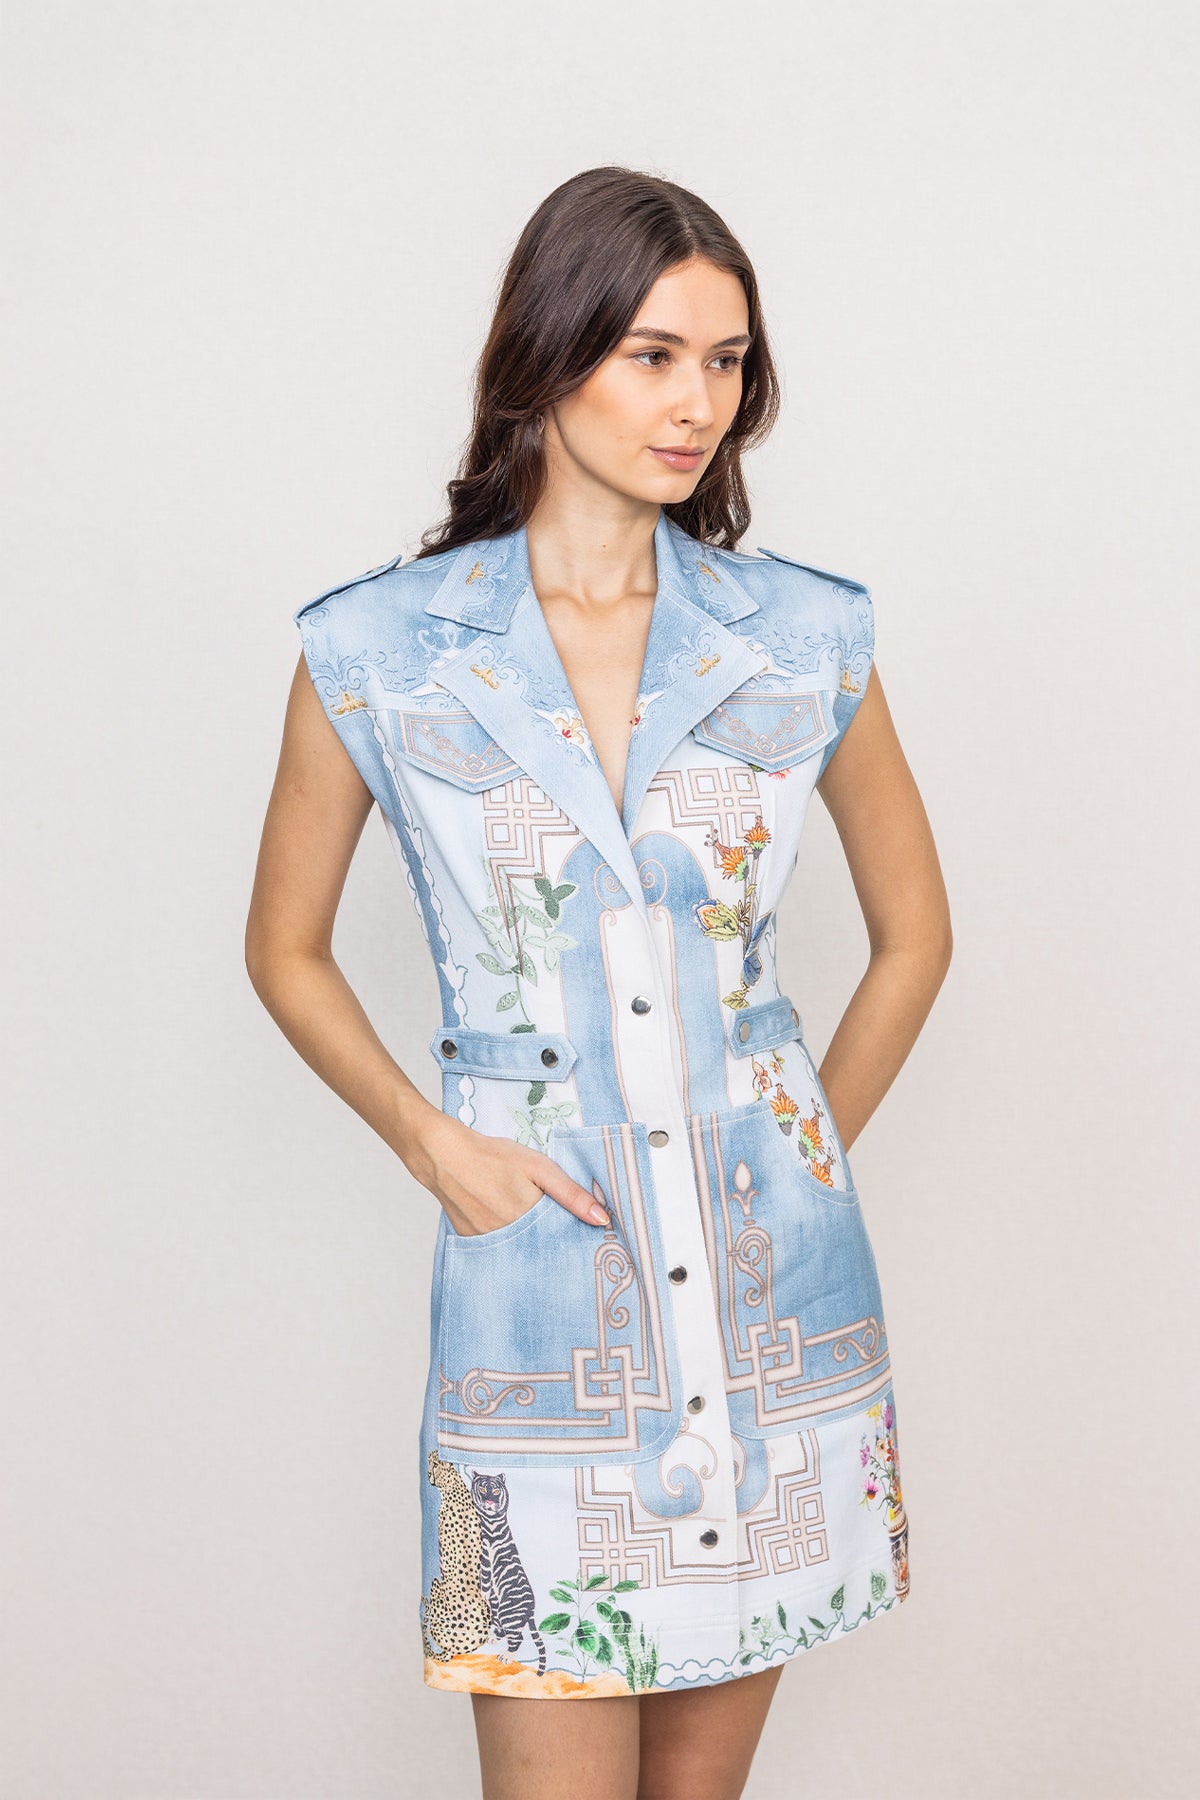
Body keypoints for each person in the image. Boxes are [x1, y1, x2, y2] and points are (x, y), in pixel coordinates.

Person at [246, 165, 952, 1800]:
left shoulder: (804, 638)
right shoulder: (379, 653)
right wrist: (435, 1144)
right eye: (653, 356)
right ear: (547, 355)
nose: (699, 403)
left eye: (727, 362)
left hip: (777, 1319)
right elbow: (282, 948)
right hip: (541, 1318)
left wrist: (796, 1150)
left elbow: (917, 934)